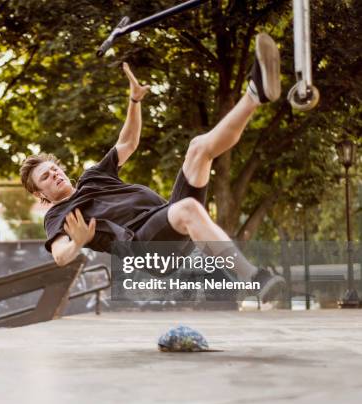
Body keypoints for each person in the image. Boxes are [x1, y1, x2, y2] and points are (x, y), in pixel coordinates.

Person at [20, 33, 285, 301]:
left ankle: (255, 94)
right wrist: (77, 241)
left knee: (198, 149)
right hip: (143, 246)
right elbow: (60, 256)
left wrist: (134, 102)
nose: (54, 174)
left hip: (165, 216)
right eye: (45, 176)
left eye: (54, 169)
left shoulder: (93, 177)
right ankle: (254, 278)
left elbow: (128, 142)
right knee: (188, 208)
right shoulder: (57, 217)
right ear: (39, 193)